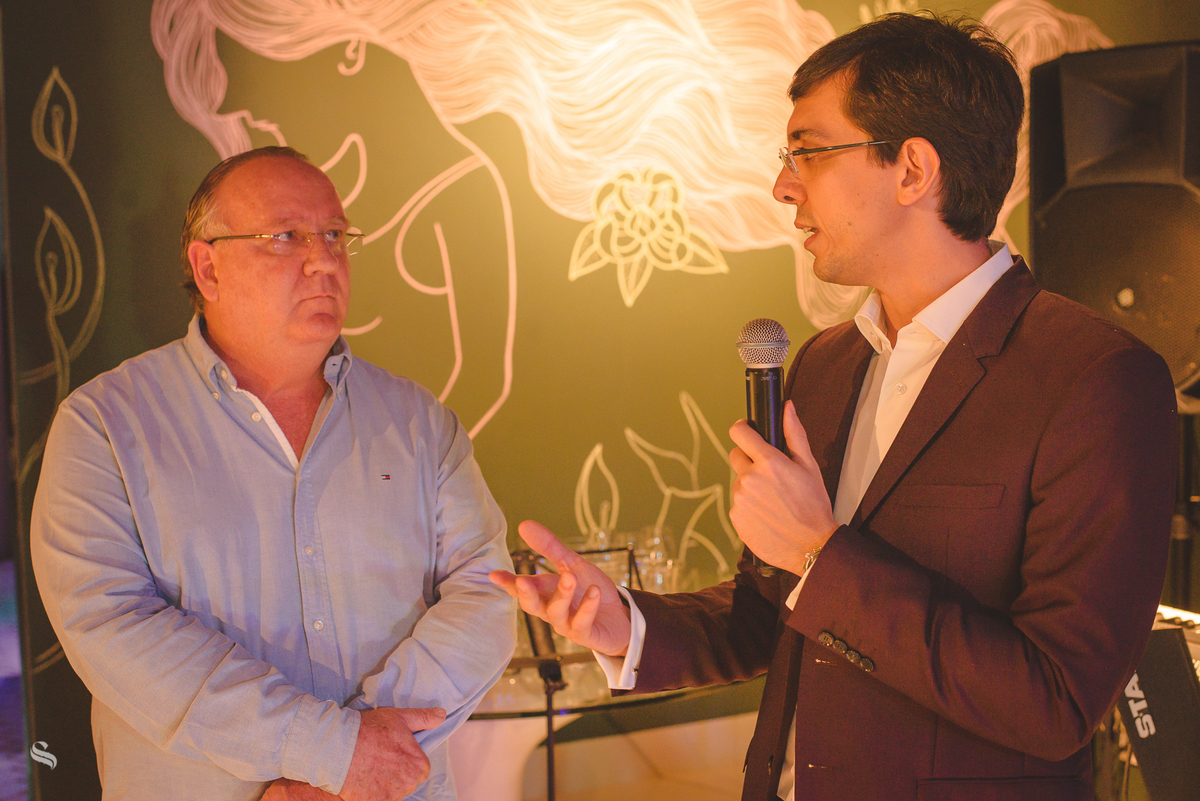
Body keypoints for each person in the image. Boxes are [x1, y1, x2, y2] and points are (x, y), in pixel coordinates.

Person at [490, 12, 1177, 801]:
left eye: (809, 152)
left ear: (913, 169)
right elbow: (774, 610)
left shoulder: (1097, 379)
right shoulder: (824, 363)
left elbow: (1057, 699)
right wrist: (627, 625)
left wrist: (823, 552)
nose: (783, 184)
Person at [31, 146, 516, 801]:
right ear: (207, 267)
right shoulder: (103, 427)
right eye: (285, 236)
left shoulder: (419, 423)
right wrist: (332, 749)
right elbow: (111, 625)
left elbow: (486, 593)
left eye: (336, 236)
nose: (323, 260)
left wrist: (361, 762)